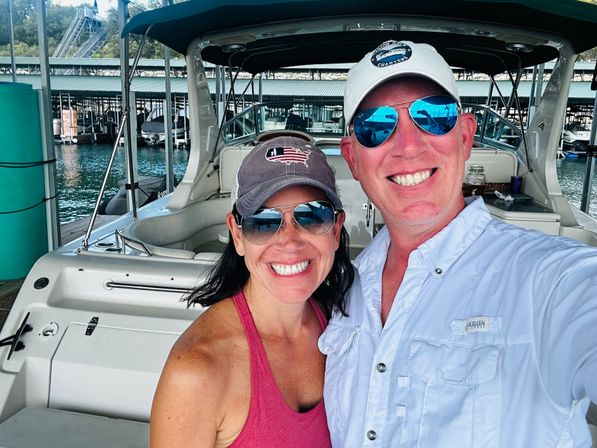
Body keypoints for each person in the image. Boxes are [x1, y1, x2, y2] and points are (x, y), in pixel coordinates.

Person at [319, 40, 597, 447]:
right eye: (375, 126)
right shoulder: (346, 288)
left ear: (465, 136)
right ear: (354, 158)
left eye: (433, 117)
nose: (409, 145)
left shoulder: (546, 281)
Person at [150, 135, 354, 447]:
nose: (290, 241)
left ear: (337, 228)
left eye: (312, 215)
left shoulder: (343, 325)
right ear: (237, 234)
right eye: (263, 221)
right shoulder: (197, 371)